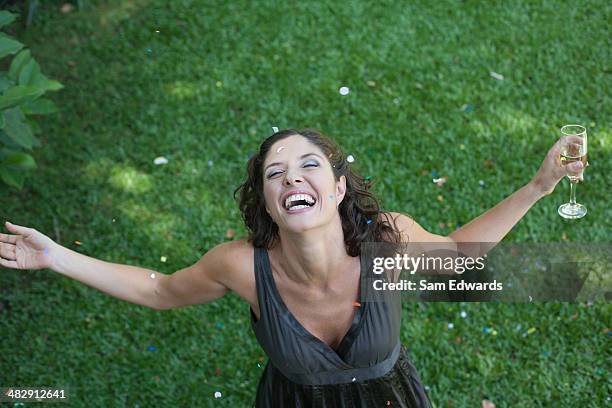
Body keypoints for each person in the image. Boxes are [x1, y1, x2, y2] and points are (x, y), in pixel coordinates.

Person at [0, 128, 586, 407]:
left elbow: (461, 257)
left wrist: (540, 185)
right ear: (268, 200)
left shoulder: (388, 240)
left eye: (308, 166)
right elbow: (159, 290)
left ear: (336, 190)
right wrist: (55, 256)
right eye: (275, 172)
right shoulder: (240, 265)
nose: (291, 177)